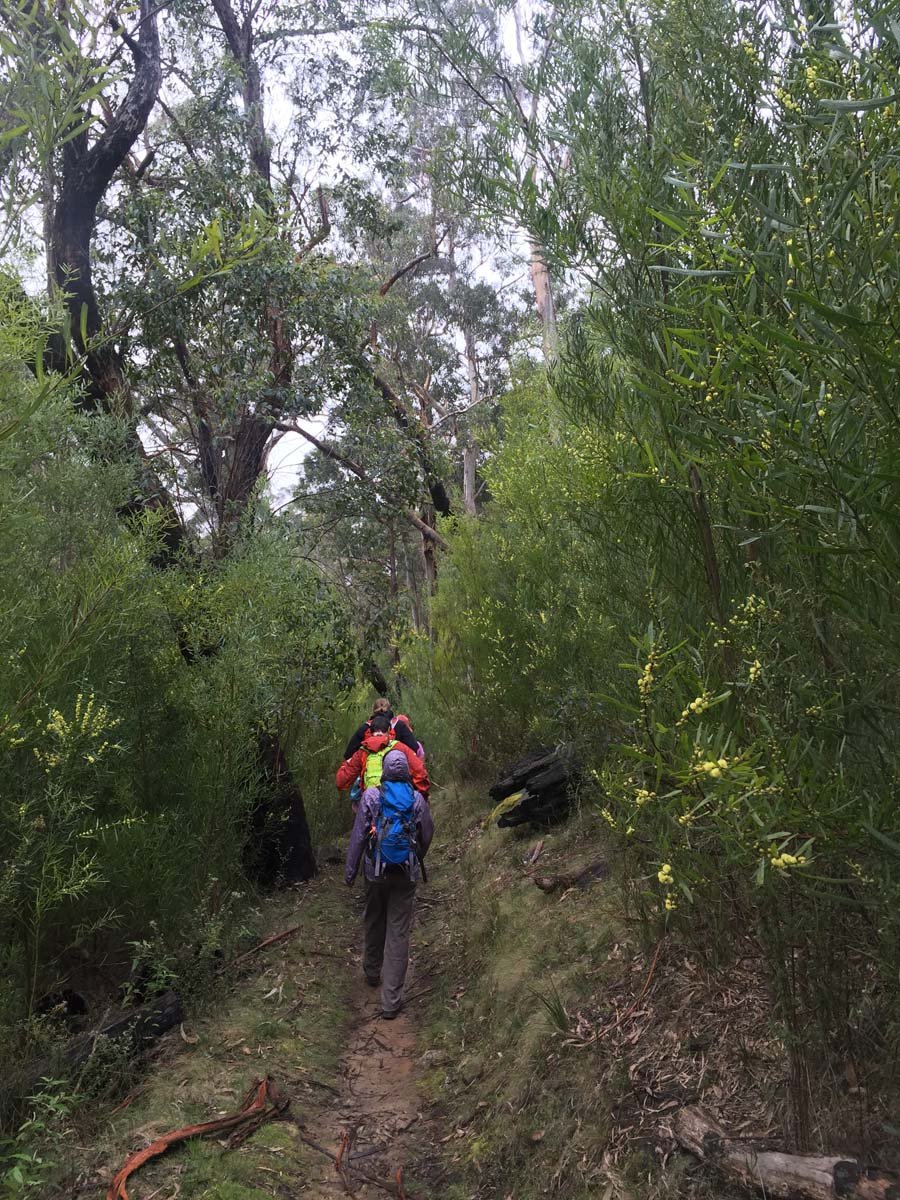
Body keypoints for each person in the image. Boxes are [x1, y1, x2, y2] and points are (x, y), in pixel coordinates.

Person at [345, 748, 433, 1018]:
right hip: (405, 874)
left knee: (373, 918)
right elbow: (427, 833)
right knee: (398, 932)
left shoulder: (371, 795)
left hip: (375, 871)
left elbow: (359, 835)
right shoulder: (416, 799)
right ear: (406, 772)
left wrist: (350, 872)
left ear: (384, 770)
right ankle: (391, 1002)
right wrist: (416, 858)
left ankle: (372, 972)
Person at [336, 713, 430, 802]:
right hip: (397, 800)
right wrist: (422, 793)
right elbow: (419, 772)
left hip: (371, 801)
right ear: (389, 730)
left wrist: (345, 765)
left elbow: (341, 782)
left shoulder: (362, 752)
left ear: (370, 732)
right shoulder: (399, 747)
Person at [343, 698, 419, 759]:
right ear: (389, 709)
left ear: (373, 710)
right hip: (395, 770)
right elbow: (415, 748)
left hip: (370, 773)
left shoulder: (365, 727)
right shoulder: (399, 725)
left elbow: (349, 754)